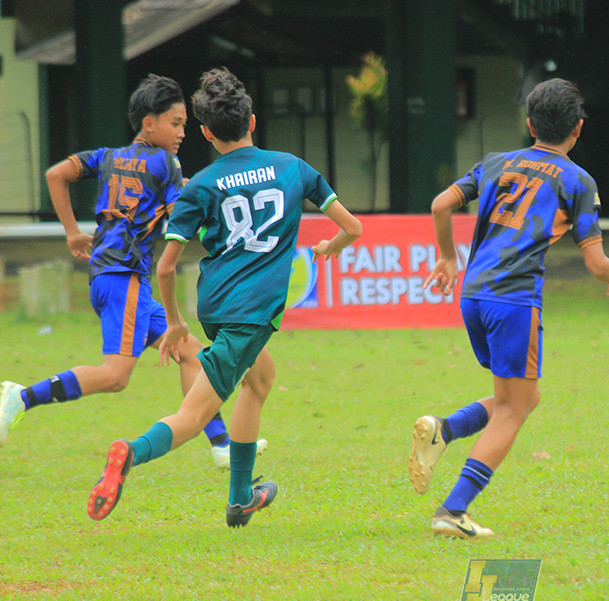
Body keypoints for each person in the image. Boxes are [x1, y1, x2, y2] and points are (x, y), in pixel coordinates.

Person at [86, 67, 362, 526]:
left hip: (215, 305)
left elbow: (168, 265)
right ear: (253, 122)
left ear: (208, 134)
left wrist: (176, 322)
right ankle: (128, 453)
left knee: (259, 380)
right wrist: (331, 245)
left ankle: (239, 500)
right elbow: (352, 227)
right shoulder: (294, 167)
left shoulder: (201, 184)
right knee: (193, 417)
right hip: (249, 315)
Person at [0, 73, 264, 470]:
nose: (180, 133)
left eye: (184, 126)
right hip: (125, 278)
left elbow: (56, 174)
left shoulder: (107, 156)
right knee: (115, 376)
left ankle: (221, 444)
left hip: (111, 279)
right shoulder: (166, 163)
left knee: (191, 352)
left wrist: (72, 233)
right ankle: (21, 397)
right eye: (175, 124)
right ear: (149, 123)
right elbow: (179, 211)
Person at [408, 77, 609, 538]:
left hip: (474, 295)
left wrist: (448, 258)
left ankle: (444, 431)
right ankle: (453, 510)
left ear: (530, 124)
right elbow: (595, 262)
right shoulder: (578, 181)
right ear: (578, 129)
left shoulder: (496, 163)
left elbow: (439, 205)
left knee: (523, 398)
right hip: (513, 302)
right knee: (514, 408)